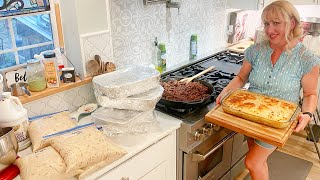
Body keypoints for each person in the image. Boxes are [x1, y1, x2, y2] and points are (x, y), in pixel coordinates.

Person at [216, 1, 320, 180]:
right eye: (266, 23)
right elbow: (241, 78)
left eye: (276, 23)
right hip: (250, 114)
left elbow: (310, 94)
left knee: (252, 162)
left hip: (277, 120)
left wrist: (308, 114)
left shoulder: (306, 58)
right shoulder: (255, 50)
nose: (269, 29)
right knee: (258, 162)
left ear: (292, 23)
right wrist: (226, 91)